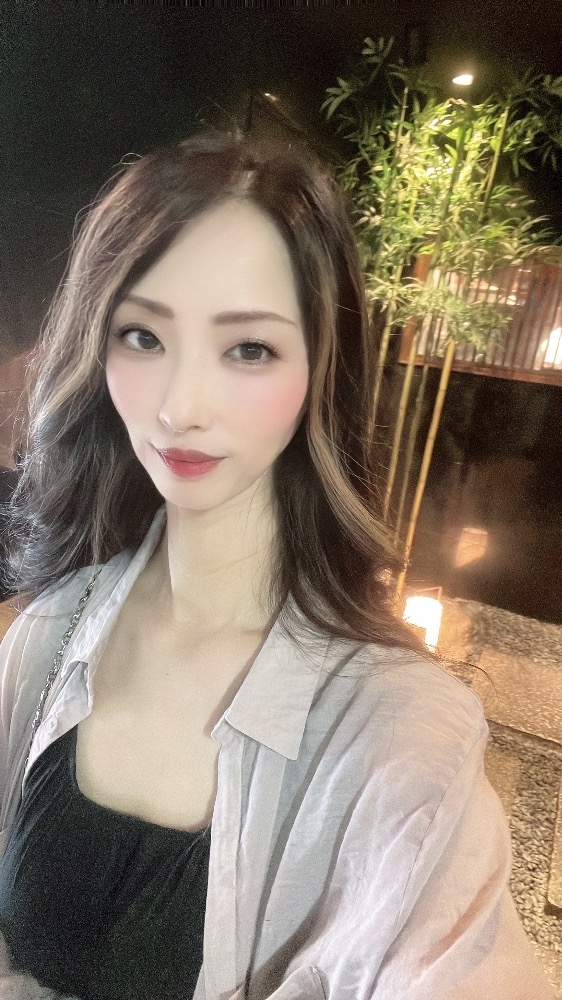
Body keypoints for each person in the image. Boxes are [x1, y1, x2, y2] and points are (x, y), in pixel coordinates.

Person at [0, 133, 554, 1000]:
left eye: (248, 349)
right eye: (142, 336)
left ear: (319, 369)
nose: (180, 408)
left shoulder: (395, 734)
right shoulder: (51, 631)